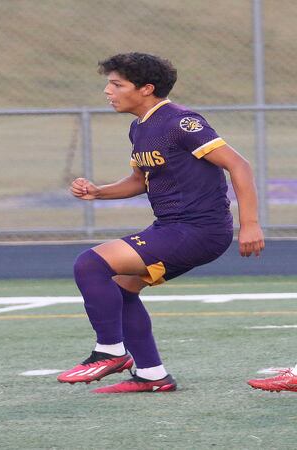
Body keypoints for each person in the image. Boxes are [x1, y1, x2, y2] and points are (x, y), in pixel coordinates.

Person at [57, 53, 265, 393]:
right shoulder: (139, 127)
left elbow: (239, 165)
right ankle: (152, 375)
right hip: (171, 228)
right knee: (123, 289)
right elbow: (140, 180)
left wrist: (251, 224)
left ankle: (110, 350)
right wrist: (98, 192)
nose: (107, 91)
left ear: (146, 89)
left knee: (90, 264)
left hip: (197, 230)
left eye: (116, 84)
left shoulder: (180, 122)